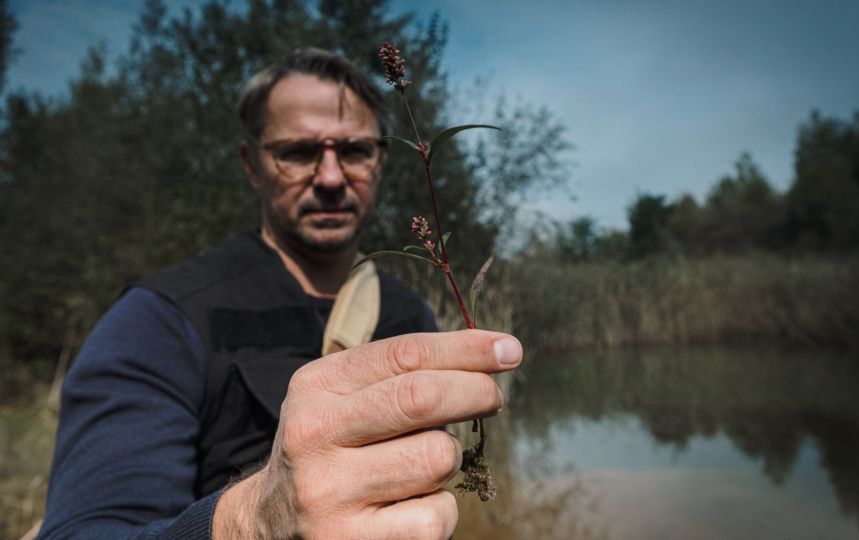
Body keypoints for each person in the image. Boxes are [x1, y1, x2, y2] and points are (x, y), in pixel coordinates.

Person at [37, 48, 523, 539]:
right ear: (252, 164)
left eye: (354, 150)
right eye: (298, 152)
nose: (331, 178)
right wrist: (255, 521)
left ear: (380, 159)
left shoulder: (409, 311)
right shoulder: (160, 319)